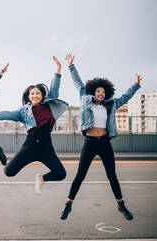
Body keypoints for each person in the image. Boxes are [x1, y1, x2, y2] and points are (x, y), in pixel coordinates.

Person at [60, 54, 142, 221]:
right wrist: (71, 66)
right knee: (80, 175)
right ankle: (68, 205)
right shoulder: (85, 99)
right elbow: (78, 83)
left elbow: (125, 97)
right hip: (90, 142)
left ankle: (121, 206)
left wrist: (136, 85)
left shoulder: (110, 104)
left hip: (104, 143)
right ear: (93, 91)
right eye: (98, 91)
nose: (101, 94)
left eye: (103, 92)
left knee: (112, 175)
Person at [0, 56, 68, 194]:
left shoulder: (49, 105)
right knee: (9, 172)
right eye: (32, 94)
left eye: (37, 93)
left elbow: (55, 87)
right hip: (29, 147)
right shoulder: (23, 111)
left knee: (60, 174)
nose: (34, 95)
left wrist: (58, 68)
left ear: (42, 95)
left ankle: (41, 178)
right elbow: (7, 114)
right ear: (28, 96)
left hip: (46, 148)